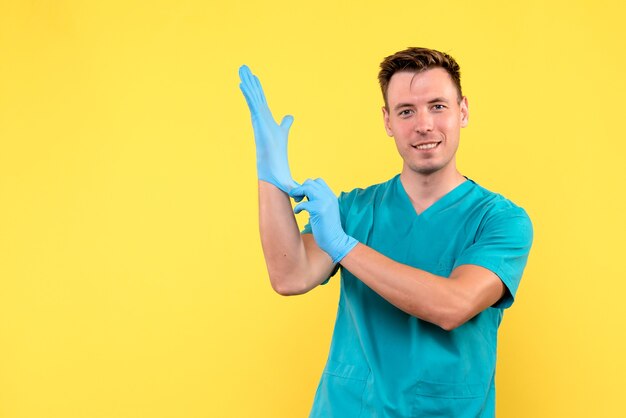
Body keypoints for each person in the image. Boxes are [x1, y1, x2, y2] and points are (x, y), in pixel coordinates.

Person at [239, 47, 533, 418]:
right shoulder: (352, 210)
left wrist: (345, 247)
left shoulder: (499, 220)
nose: (423, 124)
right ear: (387, 121)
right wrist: (270, 172)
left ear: (463, 111)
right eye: (406, 111)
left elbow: (452, 306)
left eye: (438, 106)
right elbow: (289, 275)